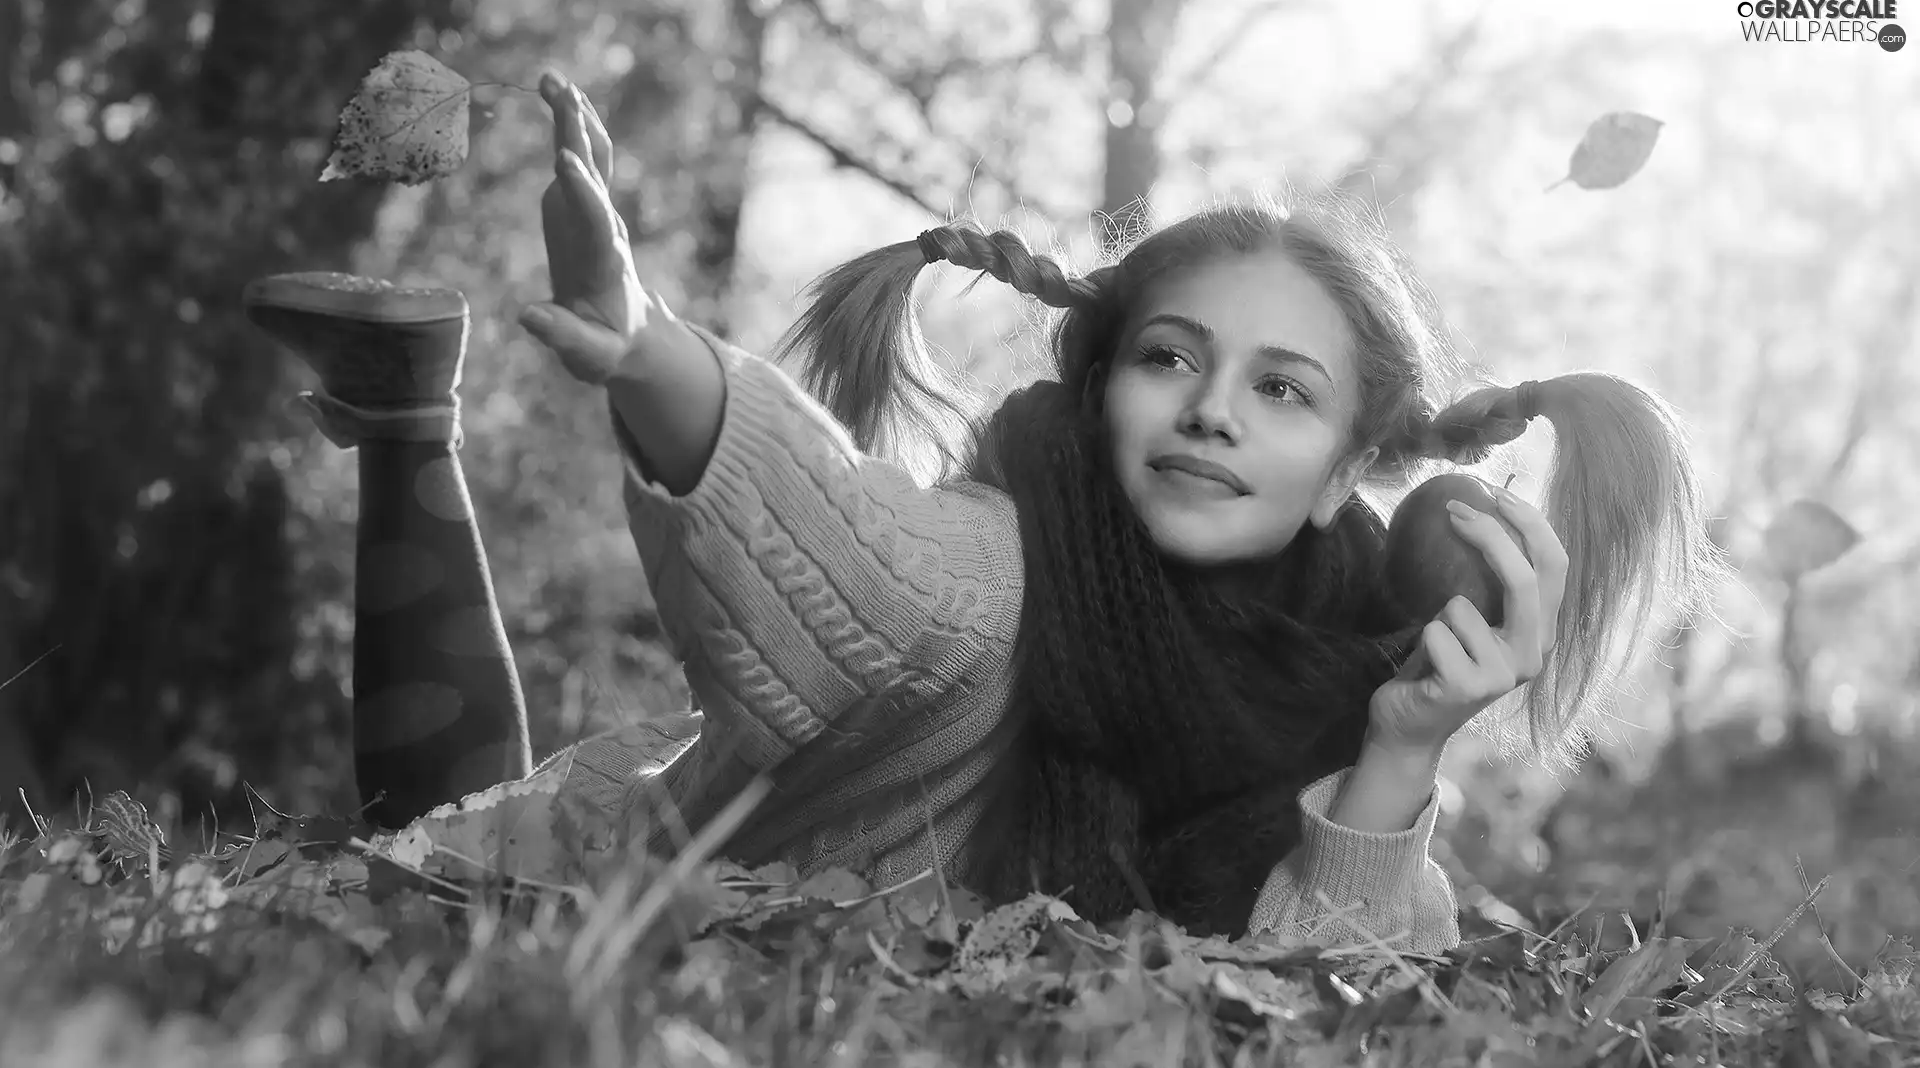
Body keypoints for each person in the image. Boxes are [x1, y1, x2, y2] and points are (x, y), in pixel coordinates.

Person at [245, 73, 1722, 952]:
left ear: (1350, 467)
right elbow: (844, 546)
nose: (1210, 410)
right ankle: (409, 418)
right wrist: (654, 351)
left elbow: (1319, 993)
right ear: (1101, 393)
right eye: (1169, 359)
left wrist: (1403, 754)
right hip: (590, 891)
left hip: (710, 849)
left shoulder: (1337, 659)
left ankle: (399, 400)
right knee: (424, 868)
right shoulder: (999, 571)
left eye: (1283, 392)